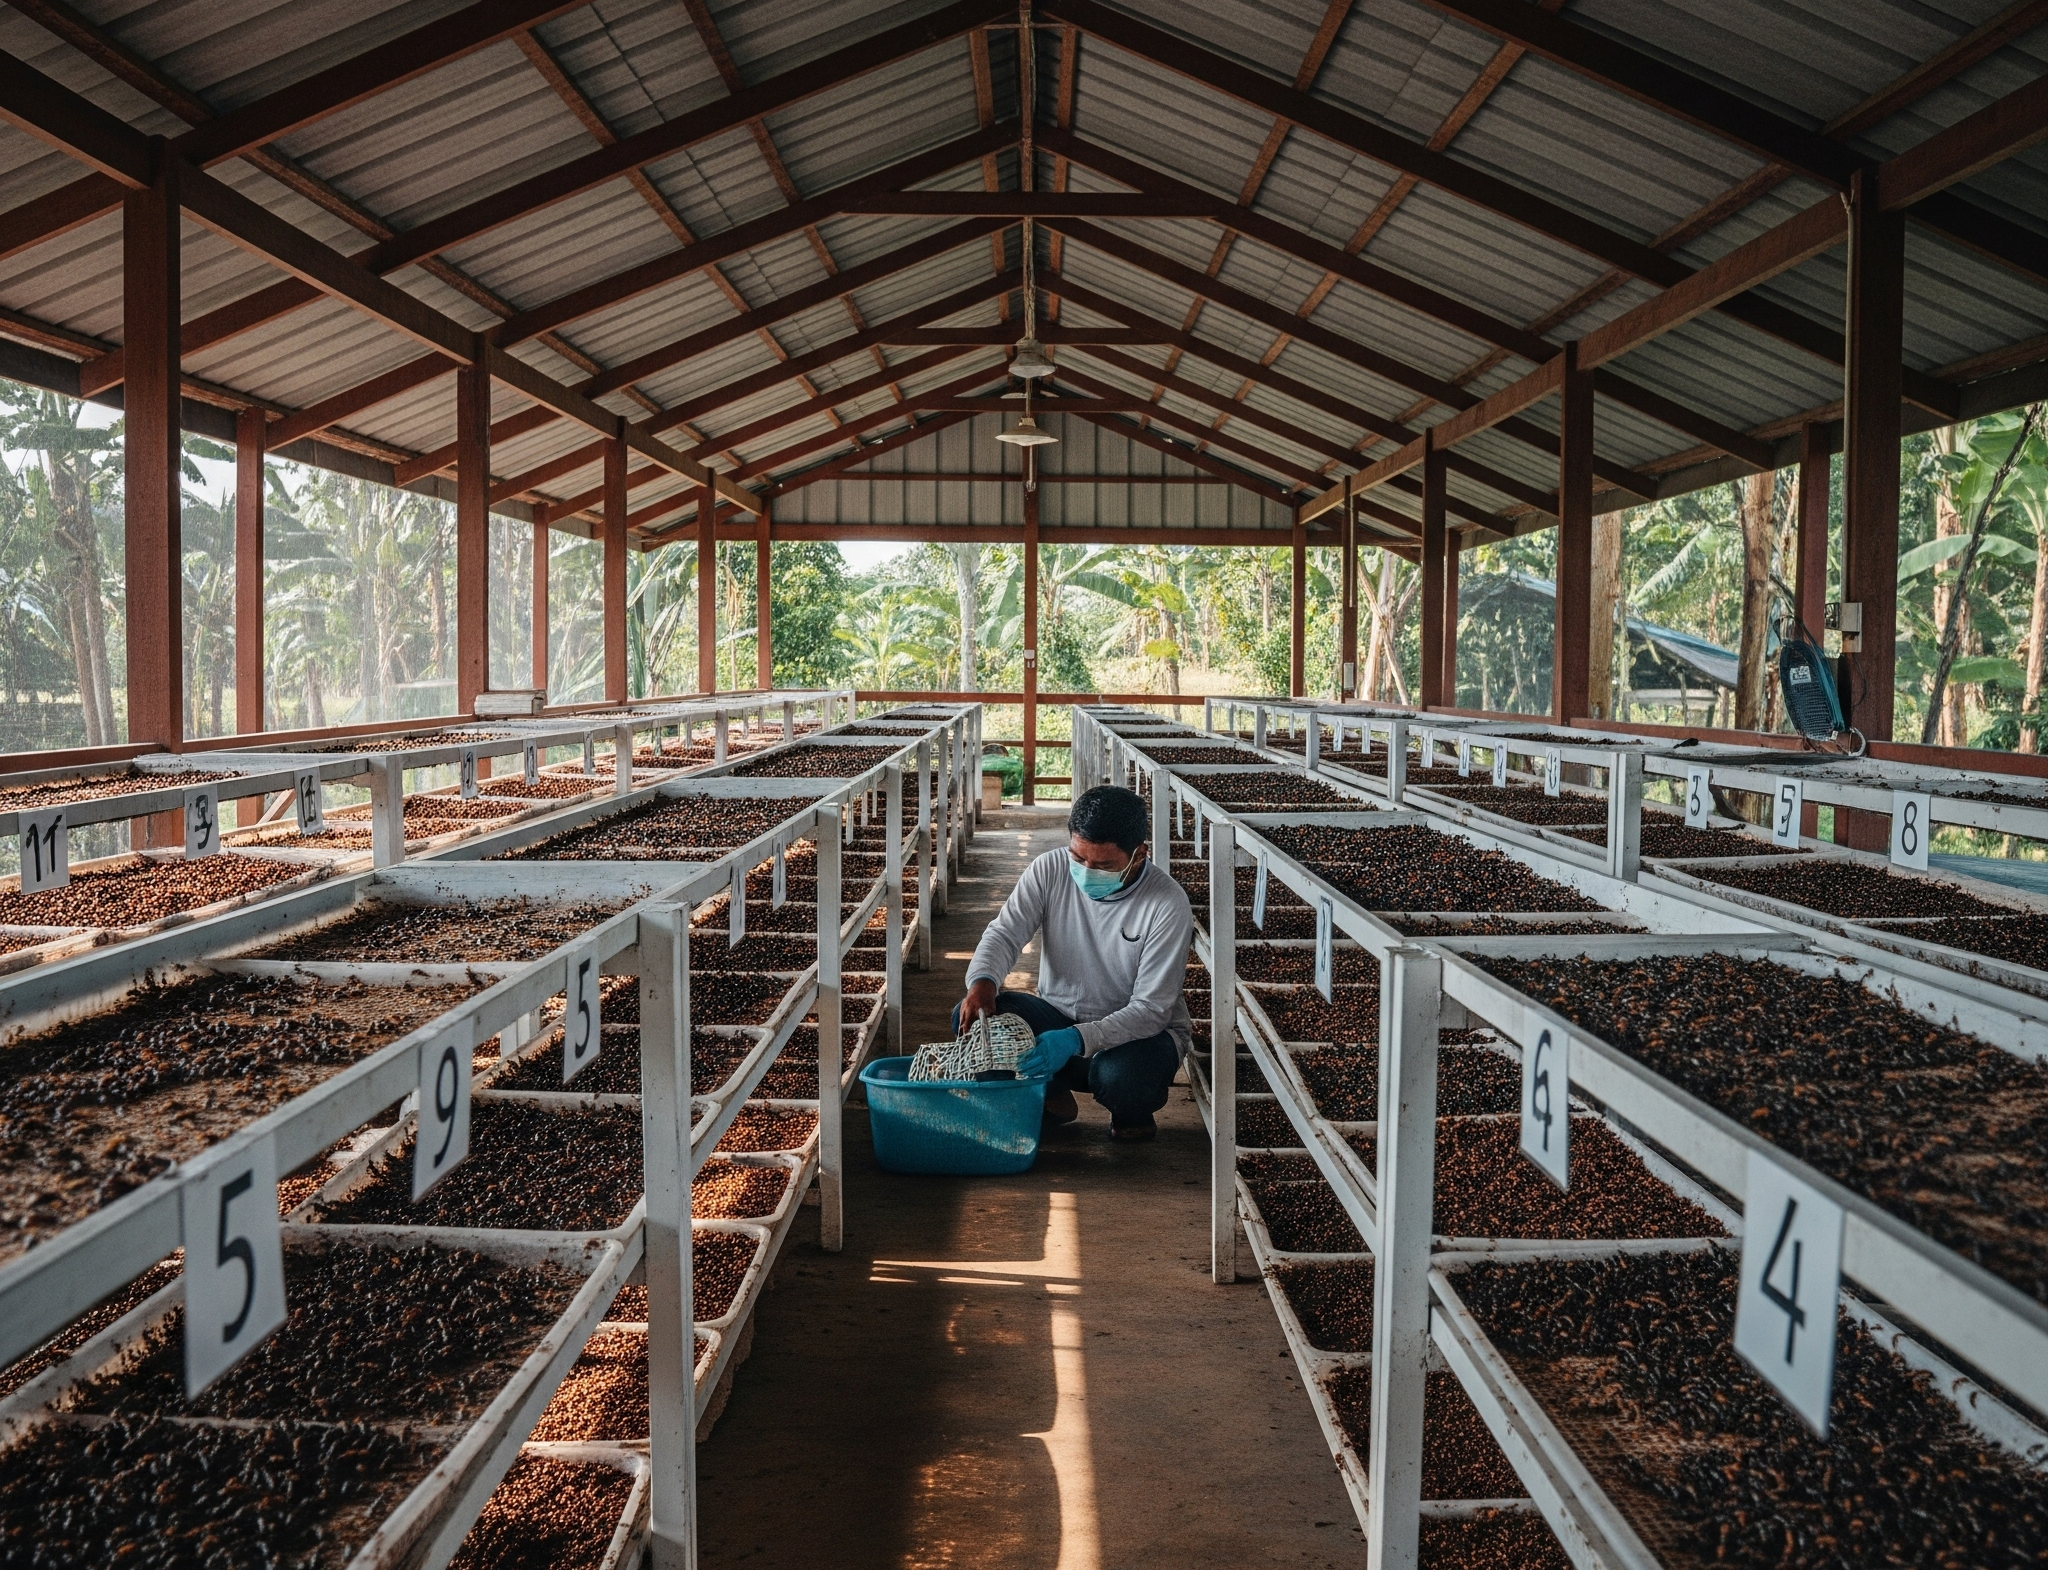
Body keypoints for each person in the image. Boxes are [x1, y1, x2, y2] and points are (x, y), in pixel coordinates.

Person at [954, 784, 1193, 1142]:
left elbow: (1150, 1010)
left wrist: (1075, 1039)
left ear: (1139, 855)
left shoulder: (1166, 903)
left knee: (1120, 1080)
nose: (1086, 871)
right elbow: (1005, 933)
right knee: (973, 1019)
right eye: (1078, 858)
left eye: (1104, 865)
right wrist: (983, 981)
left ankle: (1132, 1112)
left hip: (1139, 1036)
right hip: (1059, 1016)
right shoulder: (1049, 869)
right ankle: (1050, 1095)